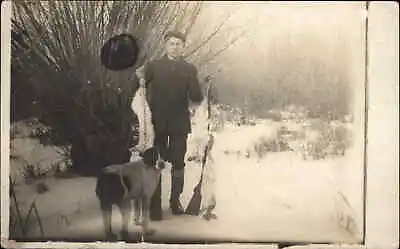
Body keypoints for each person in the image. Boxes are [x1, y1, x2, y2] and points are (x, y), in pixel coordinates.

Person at [144, 31, 204, 220]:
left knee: (178, 162)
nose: (175, 47)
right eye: (171, 43)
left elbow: (196, 97)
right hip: (157, 123)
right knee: (156, 163)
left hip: (179, 123)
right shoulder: (153, 67)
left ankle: (175, 200)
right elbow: (139, 89)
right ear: (165, 45)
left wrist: (200, 89)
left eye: (178, 44)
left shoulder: (189, 69)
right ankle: (154, 205)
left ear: (183, 47)